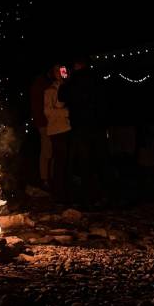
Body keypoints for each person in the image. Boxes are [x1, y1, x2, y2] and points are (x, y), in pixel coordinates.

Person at [59, 56, 107, 207]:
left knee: (84, 162)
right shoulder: (97, 77)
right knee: (100, 159)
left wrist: (65, 81)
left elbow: (62, 97)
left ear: (76, 65)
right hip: (97, 125)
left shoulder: (73, 80)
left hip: (81, 126)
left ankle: (87, 197)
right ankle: (103, 195)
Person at [44, 64, 71, 203]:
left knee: (66, 161)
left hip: (67, 129)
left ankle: (64, 190)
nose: (62, 73)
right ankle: (59, 192)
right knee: (60, 161)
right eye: (59, 71)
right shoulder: (50, 91)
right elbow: (48, 111)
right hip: (56, 130)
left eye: (64, 70)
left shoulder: (68, 88)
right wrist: (66, 113)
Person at [29, 66, 56, 190]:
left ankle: (49, 178)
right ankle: (46, 179)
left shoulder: (42, 84)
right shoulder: (42, 85)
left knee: (50, 151)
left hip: (47, 123)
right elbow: (41, 107)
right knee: (47, 152)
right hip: (45, 123)